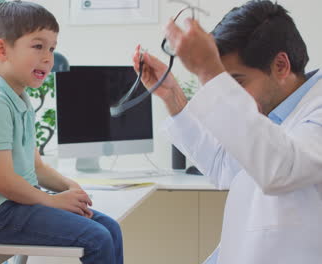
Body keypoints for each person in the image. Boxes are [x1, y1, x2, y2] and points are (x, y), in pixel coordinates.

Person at [133, 1, 322, 263]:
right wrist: (173, 98)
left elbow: (280, 169)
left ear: (281, 66)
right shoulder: (273, 113)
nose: (231, 94)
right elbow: (225, 166)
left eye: (236, 82)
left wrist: (209, 71)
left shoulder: (316, 108)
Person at [0, 1, 123, 263]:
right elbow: (4, 181)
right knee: (96, 238)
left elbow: (36, 167)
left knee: (111, 229)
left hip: (14, 205)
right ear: (2, 49)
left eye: (52, 48)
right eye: (38, 46)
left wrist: (68, 186)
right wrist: (52, 202)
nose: (48, 58)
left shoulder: (19, 99)